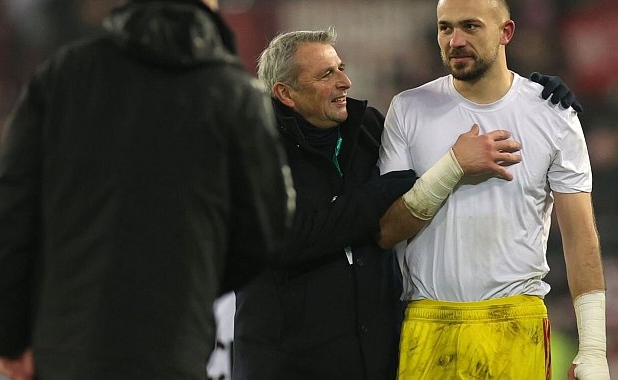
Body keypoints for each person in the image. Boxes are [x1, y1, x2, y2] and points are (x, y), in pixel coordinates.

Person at [230, 28, 581, 380]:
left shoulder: (364, 128)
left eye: (341, 67)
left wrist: (527, 95)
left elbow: (431, 151)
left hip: (373, 361)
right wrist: (377, 194)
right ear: (285, 94)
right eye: (327, 74)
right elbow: (290, 238)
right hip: (286, 366)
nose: (345, 81)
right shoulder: (252, 149)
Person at [0, 0, 292, 379]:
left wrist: (10, 339)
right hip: (175, 347)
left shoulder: (63, 76)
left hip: (67, 349)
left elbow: (12, 213)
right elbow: (268, 226)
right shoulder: (236, 94)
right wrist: (196, 278)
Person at [376, 0, 609, 378]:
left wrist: (594, 347)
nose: (455, 40)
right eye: (445, 28)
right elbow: (387, 229)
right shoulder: (408, 110)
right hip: (428, 324)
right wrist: (452, 167)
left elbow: (580, 235)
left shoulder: (553, 114)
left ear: (506, 33)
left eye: (470, 26)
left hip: (517, 324)